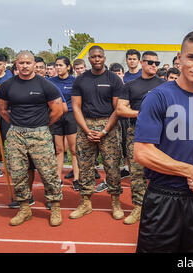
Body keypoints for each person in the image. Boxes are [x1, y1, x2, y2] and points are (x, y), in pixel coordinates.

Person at [133, 30, 193, 252]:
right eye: (192, 57)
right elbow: (142, 153)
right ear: (179, 58)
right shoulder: (158, 97)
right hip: (163, 199)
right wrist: (190, 171)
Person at [0, 51, 64, 226]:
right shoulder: (7, 86)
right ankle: (24, 209)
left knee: (48, 173)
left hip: (40, 133)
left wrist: (43, 125)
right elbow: (3, 110)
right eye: (21, 63)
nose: (25, 66)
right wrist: (18, 124)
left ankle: (55, 207)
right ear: (16, 65)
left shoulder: (46, 85)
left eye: (28, 63)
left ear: (34, 64)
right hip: (16, 135)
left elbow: (57, 110)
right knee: (18, 173)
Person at [70, 45, 124, 220]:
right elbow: (76, 107)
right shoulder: (80, 80)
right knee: (85, 166)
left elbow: (117, 109)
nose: (97, 59)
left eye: (100, 56)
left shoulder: (114, 79)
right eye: (93, 57)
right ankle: (85, 202)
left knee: (112, 166)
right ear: (89, 59)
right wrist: (86, 130)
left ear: (104, 58)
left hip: (108, 125)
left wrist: (105, 130)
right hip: (86, 125)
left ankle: (115, 202)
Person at [116, 50, 165, 225]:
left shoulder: (164, 85)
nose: (153, 66)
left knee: (160, 171)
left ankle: (158, 207)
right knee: (136, 173)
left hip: (160, 134)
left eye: (156, 63)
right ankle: (138, 206)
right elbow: (121, 109)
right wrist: (142, 113)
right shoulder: (130, 85)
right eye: (150, 62)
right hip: (136, 132)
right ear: (142, 63)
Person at [48, 56, 79, 191]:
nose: (58, 68)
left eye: (61, 65)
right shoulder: (50, 82)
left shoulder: (75, 81)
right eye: (57, 65)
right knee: (59, 149)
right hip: (56, 116)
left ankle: (77, 179)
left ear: (68, 67)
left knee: (73, 150)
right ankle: (57, 178)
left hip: (71, 116)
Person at [0, 53, 12, 178]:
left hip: (6, 111)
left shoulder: (9, 75)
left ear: (5, 64)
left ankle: (12, 163)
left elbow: (6, 88)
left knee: (7, 138)